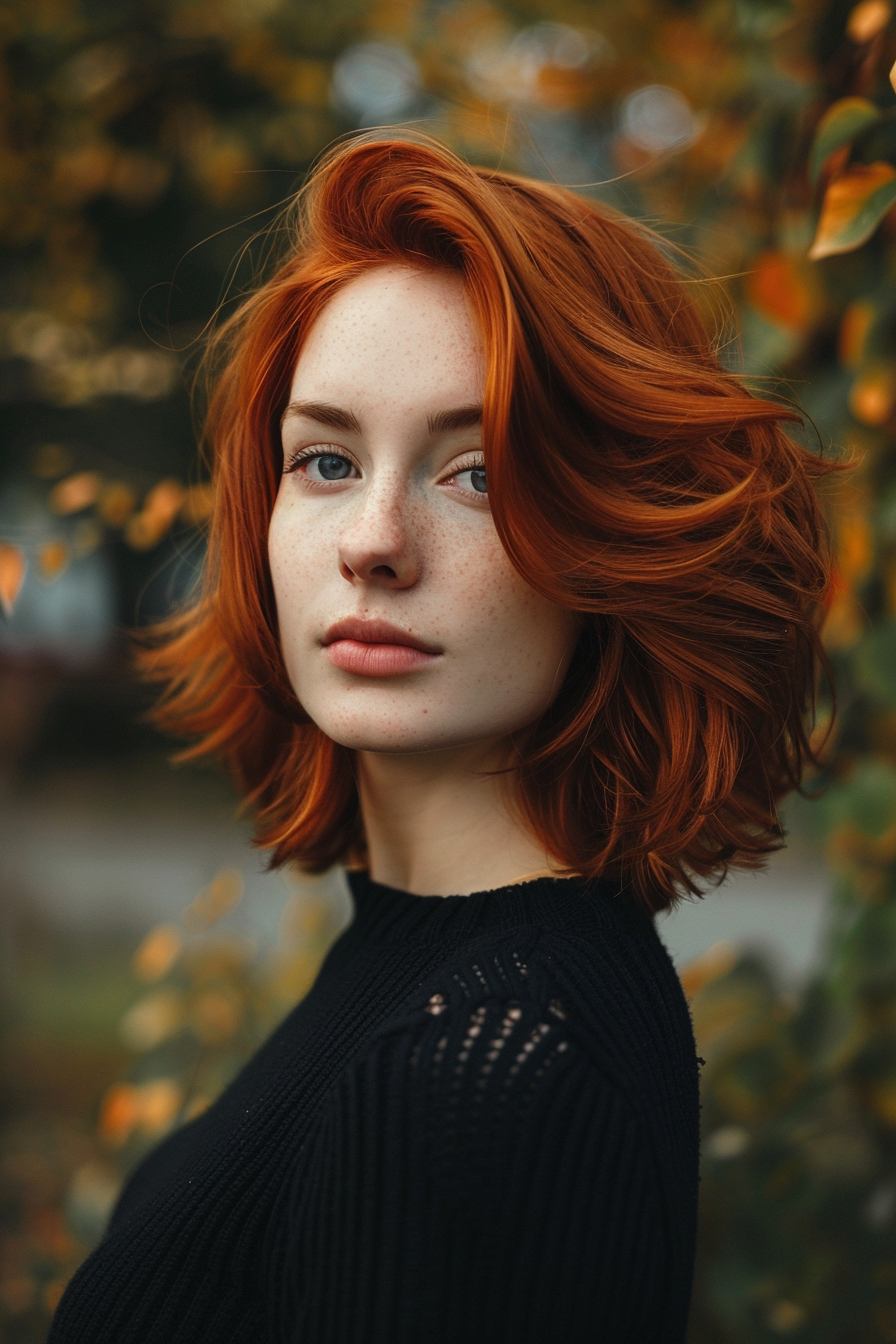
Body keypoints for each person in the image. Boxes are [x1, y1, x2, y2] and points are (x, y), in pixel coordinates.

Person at [49, 134, 833, 1343]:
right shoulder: (439, 983)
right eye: (325, 460)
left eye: (474, 474)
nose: (373, 539)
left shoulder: (479, 1065)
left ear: (612, 538)